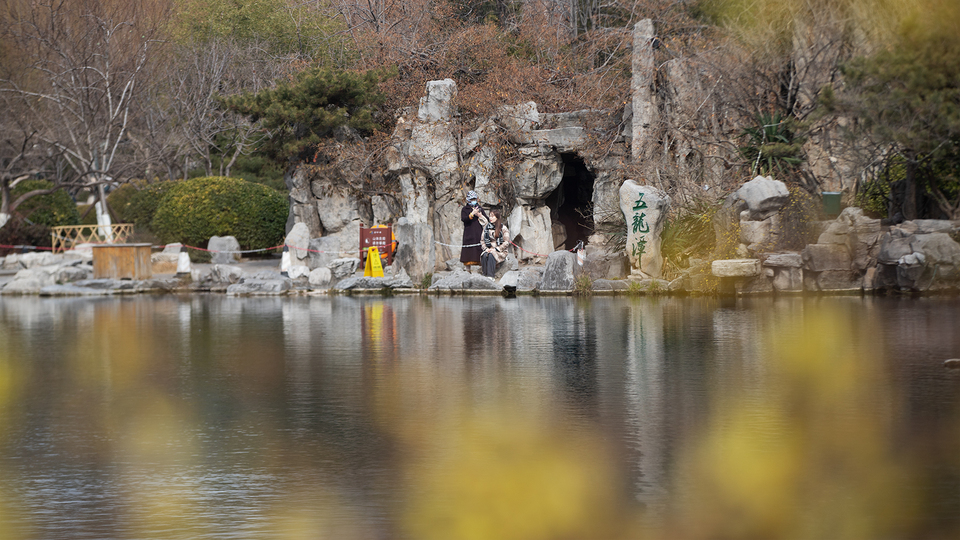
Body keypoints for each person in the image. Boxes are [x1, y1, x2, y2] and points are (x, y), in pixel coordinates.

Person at [480, 209, 510, 277]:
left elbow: (506, 242)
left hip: (500, 250)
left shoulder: (503, 228)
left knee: (491, 255)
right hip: (489, 248)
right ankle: (484, 275)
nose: (490, 218)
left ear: (497, 217)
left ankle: (491, 276)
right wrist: (485, 248)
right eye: (490, 216)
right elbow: (482, 241)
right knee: (484, 255)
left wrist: (496, 249)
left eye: (493, 216)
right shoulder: (486, 228)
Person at [460, 191, 483, 267]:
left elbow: (486, 219)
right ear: (468, 200)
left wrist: (480, 215)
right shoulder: (464, 209)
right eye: (472, 199)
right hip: (469, 232)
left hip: (478, 232)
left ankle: (480, 267)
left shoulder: (479, 208)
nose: (474, 201)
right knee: (468, 251)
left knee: (479, 249)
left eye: (474, 199)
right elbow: (464, 219)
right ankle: (468, 269)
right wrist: (472, 214)